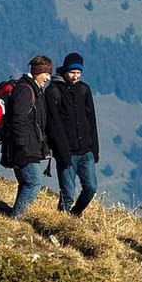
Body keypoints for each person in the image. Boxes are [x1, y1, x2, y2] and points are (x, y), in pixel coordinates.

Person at [43, 52, 100, 216]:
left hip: (86, 151)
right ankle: (61, 222)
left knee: (91, 188)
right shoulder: (53, 91)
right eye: (72, 72)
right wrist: (62, 152)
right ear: (65, 71)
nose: (75, 76)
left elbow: (92, 121)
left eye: (78, 73)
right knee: (67, 194)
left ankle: (75, 214)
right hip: (66, 153)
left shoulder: (84, 90)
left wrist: (94, 150)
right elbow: (53, 125)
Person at [1, 55, 54, 218]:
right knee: (33, 182)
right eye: (46, 73)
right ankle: (15, 219)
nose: (48, 77)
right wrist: (23, 146)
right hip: (23, 149)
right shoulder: (25, 90)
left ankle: (15, 216)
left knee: (28, 182)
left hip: (28, 147)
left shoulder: (34, 90)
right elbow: (18, 120)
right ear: (38, 72)